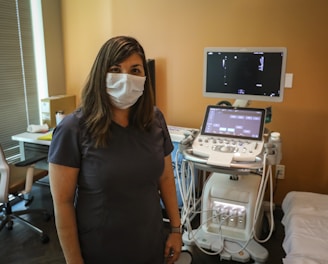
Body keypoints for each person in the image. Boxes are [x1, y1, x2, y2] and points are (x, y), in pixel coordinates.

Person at [48, 36, 182, 264]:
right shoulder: (73, 129)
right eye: (115, 69)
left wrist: (176, 230)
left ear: (144, 77)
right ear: (101, 74)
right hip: (101, 249)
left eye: (135, 70)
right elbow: (62, 202)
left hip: (150, 242)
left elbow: (166, 177)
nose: (126, 79)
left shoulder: (155, 119)